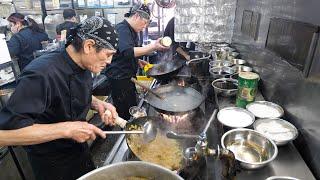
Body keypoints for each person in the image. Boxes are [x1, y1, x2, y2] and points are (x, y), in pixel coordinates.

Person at [0, 16, 119, 180]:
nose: (109, 61)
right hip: (53, 165)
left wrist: (97, 103)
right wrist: (66, 129)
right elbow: (4, 135)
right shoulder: (41, 73)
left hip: (79, 152)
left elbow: (66, 92)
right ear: (89, 46)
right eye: (107, 54)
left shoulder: (83, 64)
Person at [103, 3, 168, 120]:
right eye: (144, 23)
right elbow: (127, 51)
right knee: (125, 111)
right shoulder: (122, 29)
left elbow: (123, 53)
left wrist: (137, 61)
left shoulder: (131, 30)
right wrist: (153, 46)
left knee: (132, 106)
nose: (145, 27)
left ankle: (131, 126)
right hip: (119, 78)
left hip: (128, 76)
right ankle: (127, 132)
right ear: (137, 16)